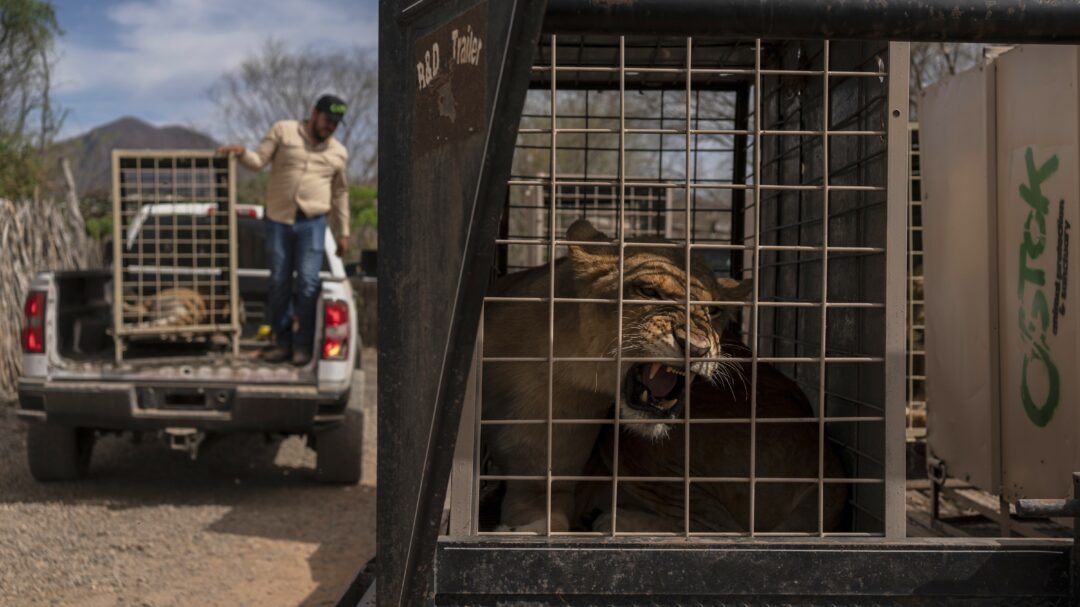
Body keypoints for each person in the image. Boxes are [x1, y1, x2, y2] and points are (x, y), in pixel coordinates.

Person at [217, 94, 350, 366]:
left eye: (336, 124)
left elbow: (340, 193)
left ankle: (302, 345)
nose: (331, 127)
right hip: (279, 219)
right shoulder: (283, 130)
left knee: (308, 282)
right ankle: (282, 340)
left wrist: (344, 231)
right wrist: (241, 153)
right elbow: (258, 161)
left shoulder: (338, 152)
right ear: (315, 113)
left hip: (312, 222)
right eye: (328, 120)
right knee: (279, 280)